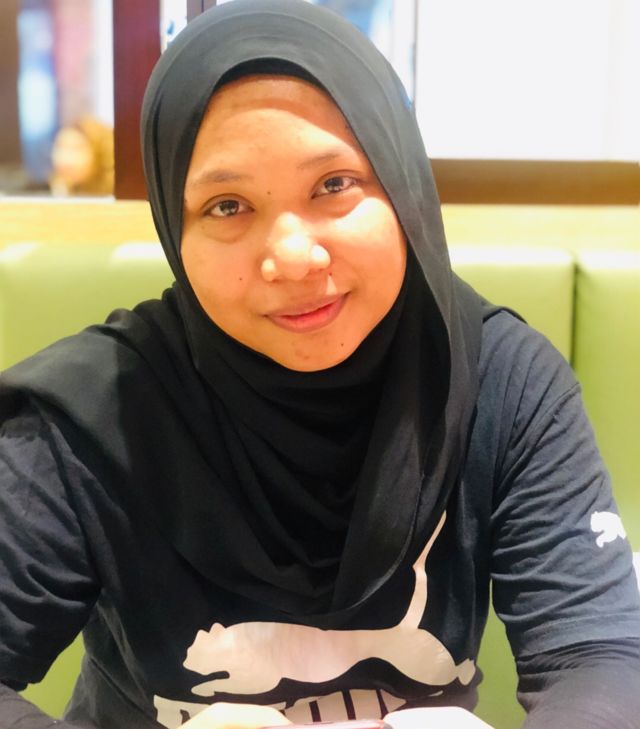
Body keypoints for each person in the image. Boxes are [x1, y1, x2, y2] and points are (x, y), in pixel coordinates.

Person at [0, 1, 639, 728]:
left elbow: (600, 657)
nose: (294, 257)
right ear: (177, 231)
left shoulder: (501, 384)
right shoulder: (94, 413)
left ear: (402, 185)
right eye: (227, 205)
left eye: (334, 184)